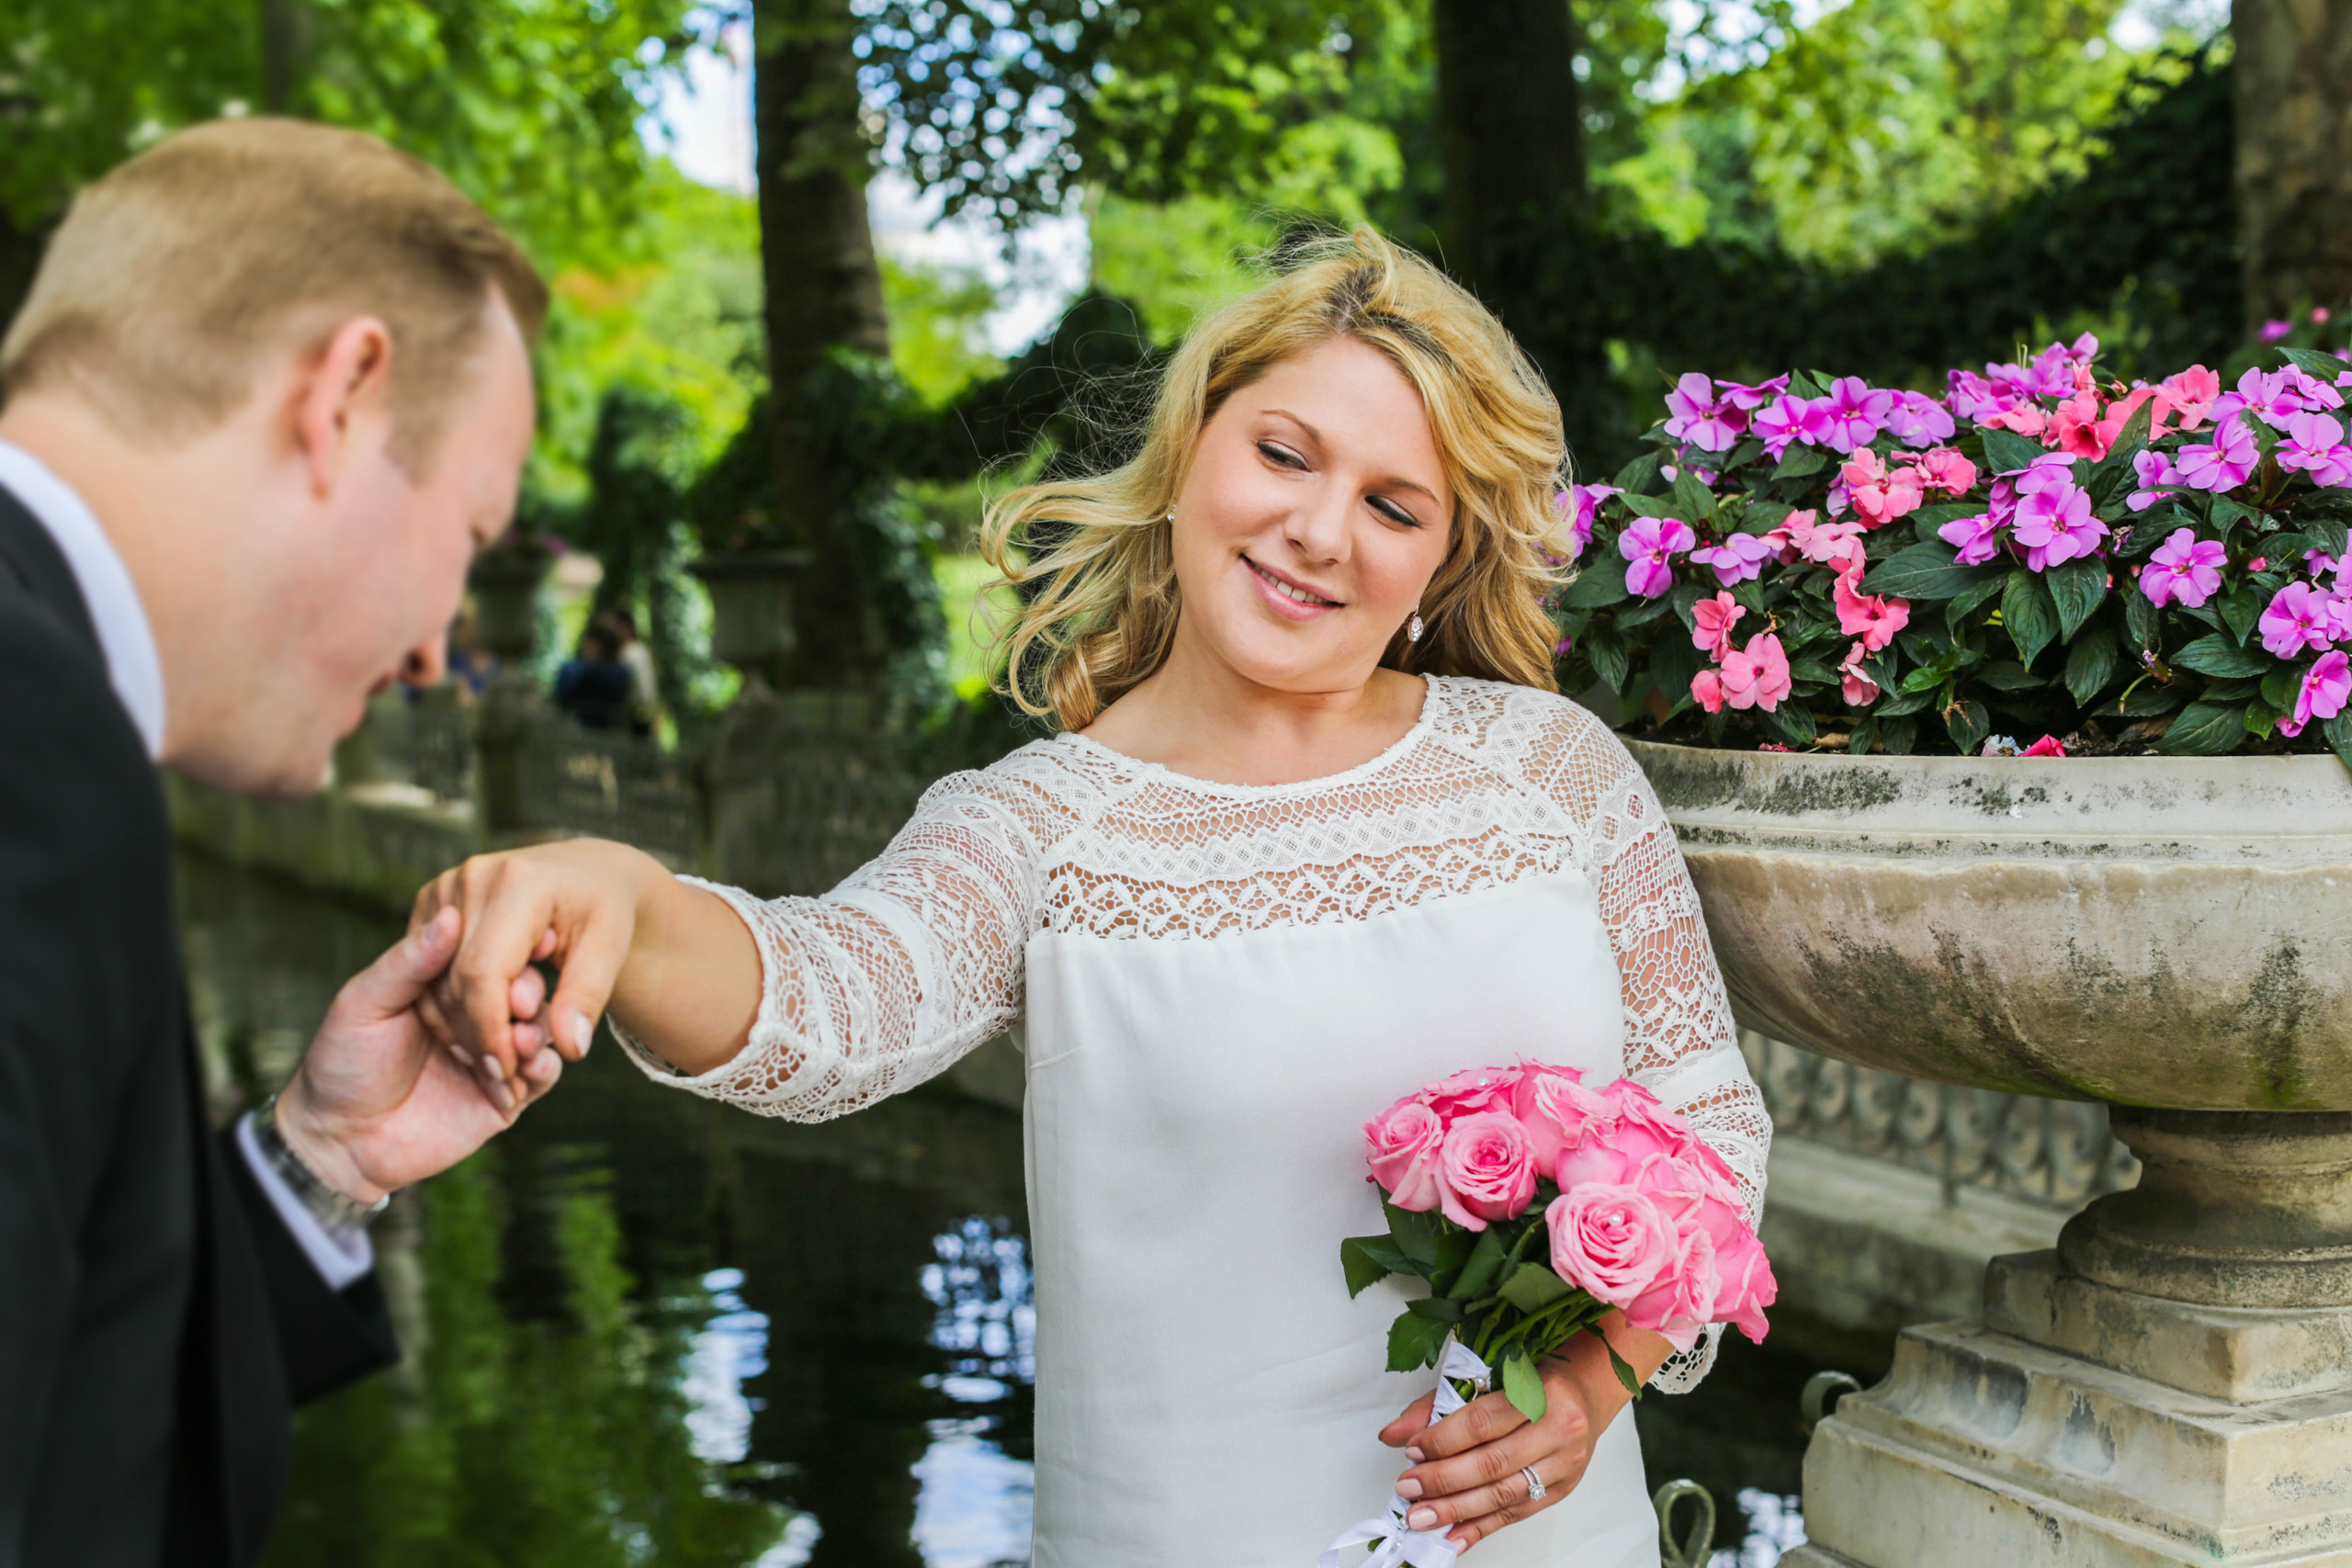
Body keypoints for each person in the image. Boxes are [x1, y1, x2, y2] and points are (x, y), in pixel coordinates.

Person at [409, 231, 1770, 1567]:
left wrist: (1594, 1379)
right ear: (1188, 455)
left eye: (1393, 503)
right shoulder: (1039, 824)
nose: (1318, 528)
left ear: (1442, 560)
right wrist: (624, 896)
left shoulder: (1552, 769)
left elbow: (1709, 1115)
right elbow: (823, 997)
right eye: (1284, 454)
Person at [0, 119, 582, 1568]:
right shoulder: (35, 739)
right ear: (344, 394)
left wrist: (318, 1159)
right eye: (469, 526)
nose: (440, 652)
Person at [554, 617, 637, 733]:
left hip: (579, 727)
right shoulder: (622, 672)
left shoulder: (575, 669)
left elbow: (562, 696)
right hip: (613, 730)